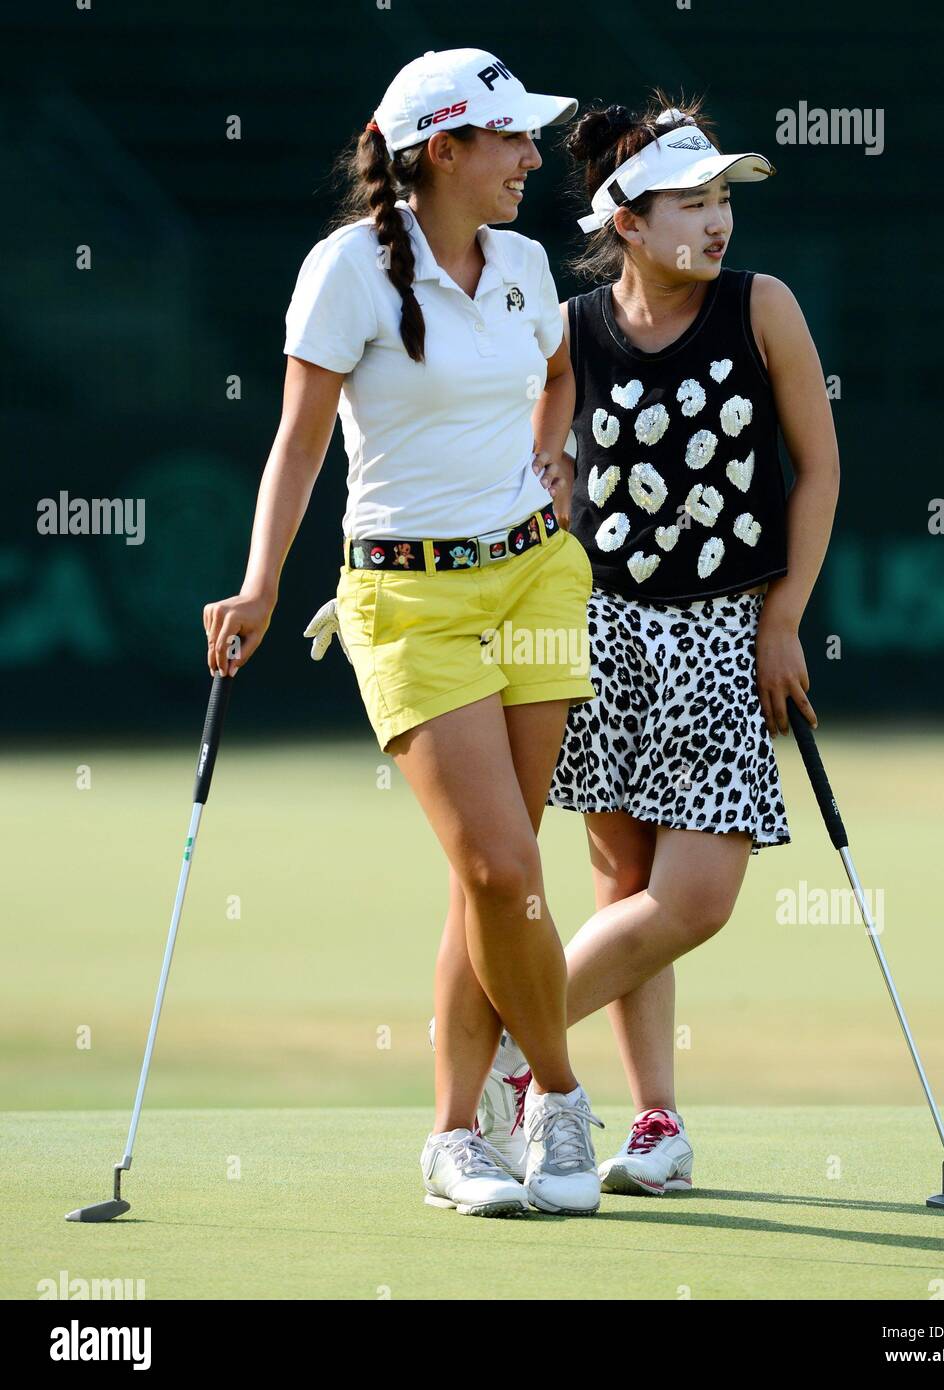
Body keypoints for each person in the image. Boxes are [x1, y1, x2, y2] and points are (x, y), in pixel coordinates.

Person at [204, 48, 606, 1218]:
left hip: (536, 583)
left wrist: (554, 446)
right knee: (497, 865)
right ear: (442, 150)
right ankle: (555, 1097)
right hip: (406, 599)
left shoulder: (526, 262)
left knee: (496, 878)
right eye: (512, 141)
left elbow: (558, 365)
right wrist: (260, 582)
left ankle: (449, 1134)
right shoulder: (345, 271)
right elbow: (299, 442)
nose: (533, 158)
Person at [525, 94, 840, 1194]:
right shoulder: (568, 330)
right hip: (600, 630)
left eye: (722, 200)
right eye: (691, 203)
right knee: (621, 886)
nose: (717, 222)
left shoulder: (762, 307)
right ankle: (653, 1124)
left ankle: (510, 1038)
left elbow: (818, 472)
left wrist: (784, 620)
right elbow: (543, 472)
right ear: (624, 220)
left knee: (694, 895)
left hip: (722, 629)